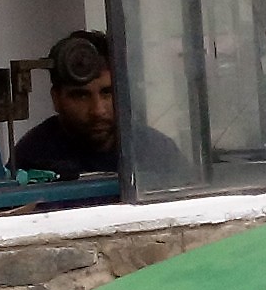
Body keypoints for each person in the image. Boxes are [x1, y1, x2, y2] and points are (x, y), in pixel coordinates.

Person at [10, 28, 180, 184]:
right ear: (56, 98)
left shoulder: (158, 152)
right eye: (81, 95)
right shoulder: (32, 157)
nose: (98, 110)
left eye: (107, 93)